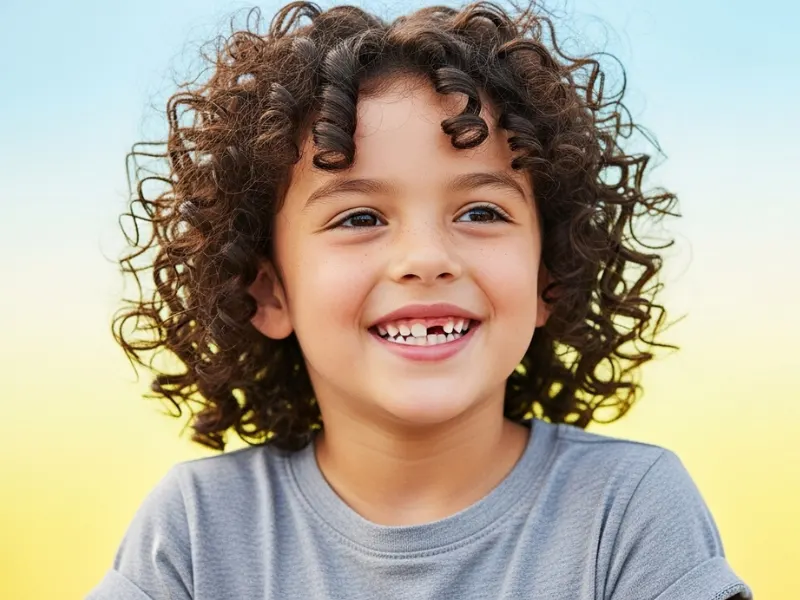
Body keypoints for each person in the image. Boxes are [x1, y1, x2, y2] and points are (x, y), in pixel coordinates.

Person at [87, 1, 753, 598]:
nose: (426, 259)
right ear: (268, 291)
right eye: (358, 219)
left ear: (550, 275)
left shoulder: (628, 512)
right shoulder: (199, 533)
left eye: (482, 212)